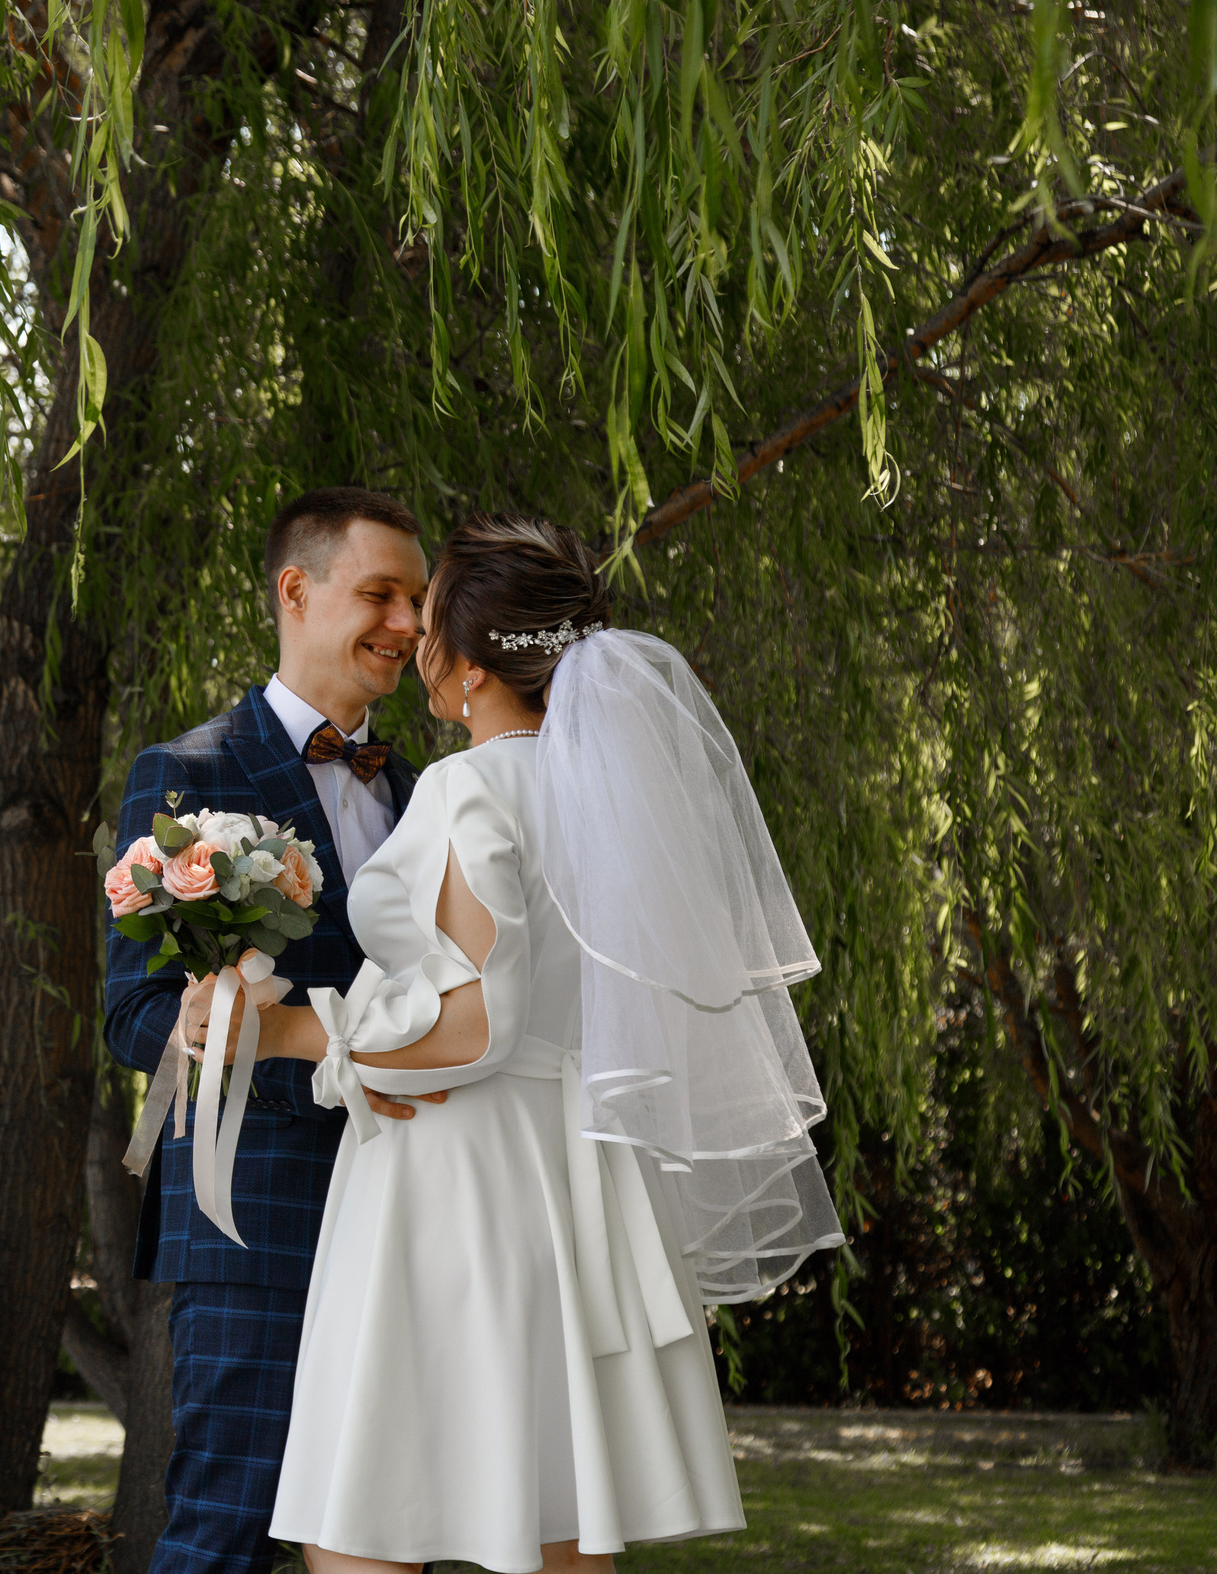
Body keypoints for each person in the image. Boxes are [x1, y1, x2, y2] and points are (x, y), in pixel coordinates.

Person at [251, 513, 846, 1574]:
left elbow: (477, 1021)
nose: (415, 646)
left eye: (428, 626)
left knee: (367, 1515)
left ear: (471, 668)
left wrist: (301, 1032)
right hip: (578, 1173)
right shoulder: (612, 799)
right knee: (560, 1515)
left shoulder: (468, 786)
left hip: (456, 1178)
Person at [102, 486, 445, 1574]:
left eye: (419, 601)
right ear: (296, 591)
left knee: (392, 1531)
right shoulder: (188, 775)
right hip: (260, 1212)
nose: (408, 624)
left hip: (414, 1204)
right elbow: (134, 1014)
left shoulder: (429, 792)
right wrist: (200, 1022)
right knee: (227, 1536)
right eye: (381, 593)